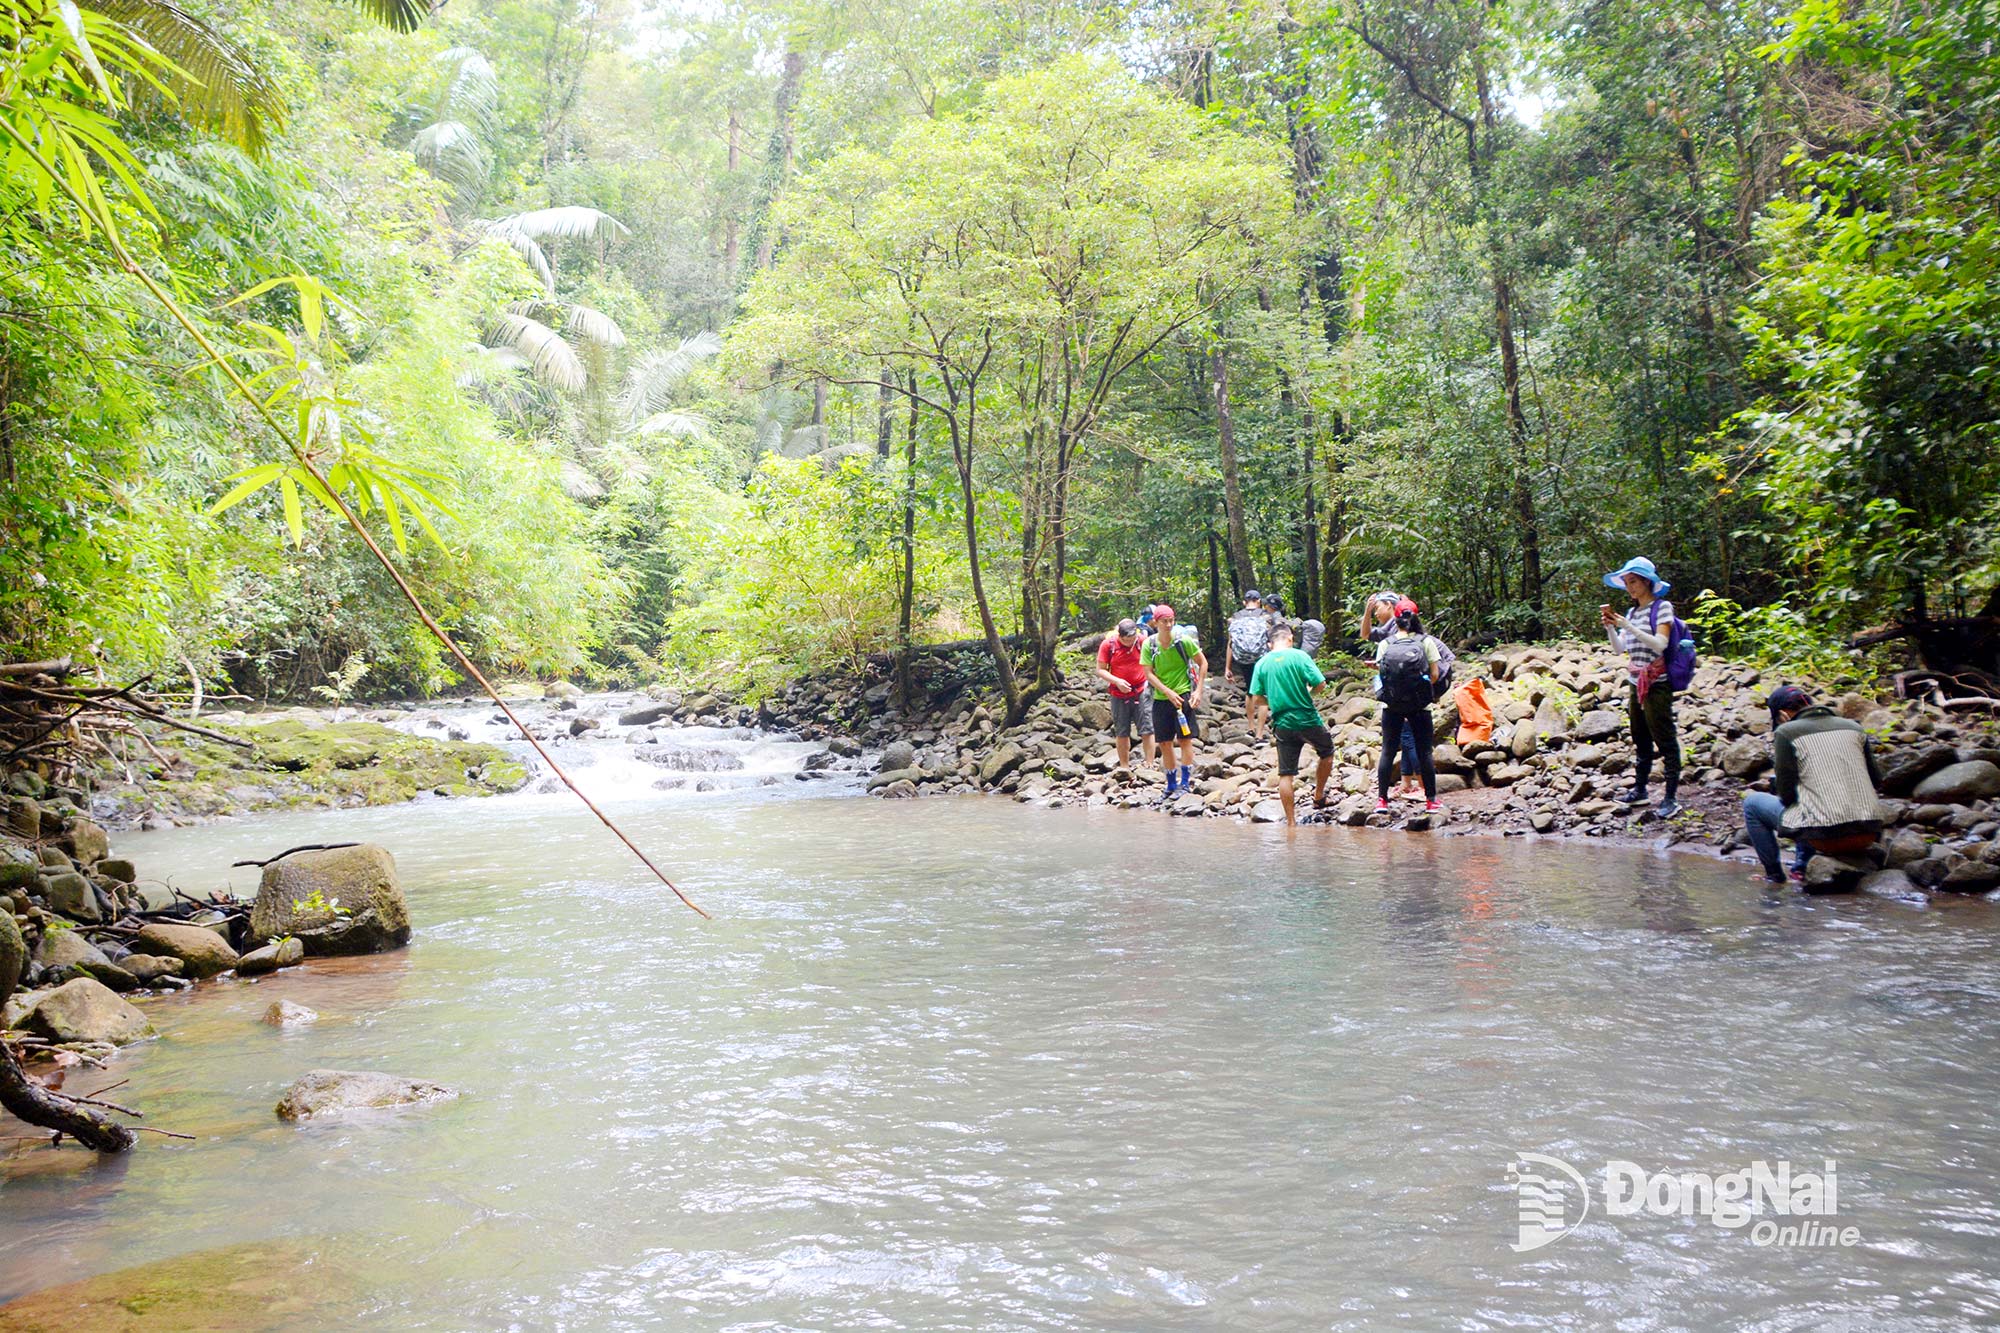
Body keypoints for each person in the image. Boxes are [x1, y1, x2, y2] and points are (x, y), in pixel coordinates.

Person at [1742, 685, 1885, 884]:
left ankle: (1774, 876)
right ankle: (1803, 865)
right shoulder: (1854, 727)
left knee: (1752, 804)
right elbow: (1877, 780)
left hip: (1826, 838)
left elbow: (1786, 795)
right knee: (1812, 798)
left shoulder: (1786, 732)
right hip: (1869, 832)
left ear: (1783, 714)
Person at [1600, 556, 1684, 819]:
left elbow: (1659, 644)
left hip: (1658, 682)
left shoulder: (1663, 608)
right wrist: (1612, 629)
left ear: (1647, 582)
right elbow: (1619, 649)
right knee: (1640, 736)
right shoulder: (1632, 613)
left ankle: (1671, 797)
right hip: (1635, 680)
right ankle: (1640, 789)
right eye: (1626, 582)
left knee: (1665, 738)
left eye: (1633, 581)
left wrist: (1627, 626)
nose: (1629, 587)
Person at [1248, 621, 1333, 825]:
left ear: (1270, 644)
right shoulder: (1299, 656)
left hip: (1283, 723)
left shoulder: (1262, 663)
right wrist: (1308, 694)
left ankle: (1291, 824)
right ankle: (1318, 795)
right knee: (1327, 753)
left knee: (1286, 774)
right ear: (1290, 639)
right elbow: (1320, 683)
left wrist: (1277, 700)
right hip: (1307, 718)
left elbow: (1257, 699)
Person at [1373, 600, 1441, 813]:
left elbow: (1381, 675)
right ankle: (1431, 801)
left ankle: (1382, 801)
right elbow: (1435, 675)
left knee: (1387, 752)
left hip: (1391, 705)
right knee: (1424, 753)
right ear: (1416, 616)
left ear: (1396, 617)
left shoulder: (1386, 643)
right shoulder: (1426, 642)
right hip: (1420, 706)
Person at [1141, 603, 1207, 798]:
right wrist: (1166, 691)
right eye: (1164, 621)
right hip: (1161, 699)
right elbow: (1148, 673)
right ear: (1156, 622)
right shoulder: (1149, 644)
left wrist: (1198, 691)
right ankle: (1170, 784)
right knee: (1164, 743)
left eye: (1171, 620)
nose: (1168, 625)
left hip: (1183, 697)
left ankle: (1185, 783)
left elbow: (1202, 663)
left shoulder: (1183, 641)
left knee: (1185, 740)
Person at [1095, 618, 1155, 771]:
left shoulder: (1142, 641)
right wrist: (1117, 681)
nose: (1130, 642)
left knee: (1147, 728)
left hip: (1141, 689)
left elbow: (1152, 663)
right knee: (1122, 731)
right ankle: (1124, 765)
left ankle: (1150, 763)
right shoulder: (1108, 645)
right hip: (1118, 693)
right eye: (1127, 640)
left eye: (1132, 638)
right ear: (1119, 636)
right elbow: (1100, 669)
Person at [1223, 590, 1275, 695]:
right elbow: (1272, 641)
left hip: (1243, 658)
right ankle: (1262, 710)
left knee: (1250, 689)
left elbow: (1230, 644)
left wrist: (1227, 668)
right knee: (1263, 689)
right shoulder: (1266, 617)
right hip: (1262, 658)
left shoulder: (1235, 618)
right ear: (1259, 601)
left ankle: (1249, 711)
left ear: (1244, 602)